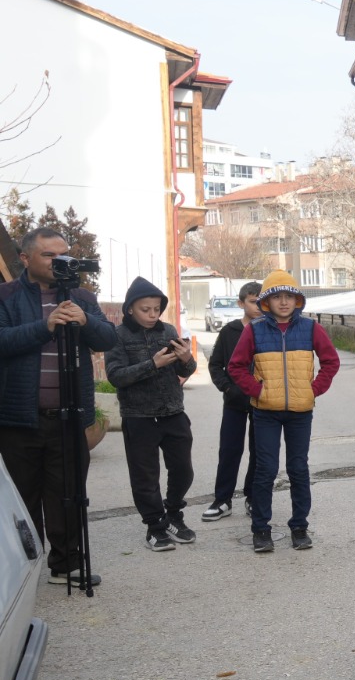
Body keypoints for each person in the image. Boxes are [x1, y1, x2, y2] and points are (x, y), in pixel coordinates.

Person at [0, 227, 118, 586]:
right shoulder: (5, 295)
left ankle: (66, 565)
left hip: (67, 416)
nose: (59, 261)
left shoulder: (82, 295)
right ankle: (26, 569)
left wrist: (86, 321)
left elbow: (108, 339)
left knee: (69, 494)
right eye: (49, 255)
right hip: (19, 418)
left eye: (63, 254)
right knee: (24, 499)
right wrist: (45, 325)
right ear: (25, 258)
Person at [227, 270, 340, 554]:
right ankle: (261, 529)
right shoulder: (254, 330)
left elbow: (331, 361)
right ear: (266, 301)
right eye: (277, 297)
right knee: (265, 470)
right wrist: (257, 390)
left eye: (289, 296)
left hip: (301, 412)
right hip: (265, 412)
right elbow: (235, 367)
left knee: (298, 469)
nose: (284, 302)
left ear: (298, 300)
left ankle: (299, 526)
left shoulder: (311, 328)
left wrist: (313, 389)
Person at [105, 277, 198, 551]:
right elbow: (115, 376)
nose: (152, 314)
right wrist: (152, 364)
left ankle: (173, 514)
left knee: (183, 470)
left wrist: (186, 360)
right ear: (130, 308)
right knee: (145, 477)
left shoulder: (167, 329)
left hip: (173, 412)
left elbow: (185, 372)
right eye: (146, 309)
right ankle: (155, 527)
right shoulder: (118, 336)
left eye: (156, 308)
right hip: (139, 416)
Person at [202, 281, 262, 523]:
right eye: (252, 301)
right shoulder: (229, 332)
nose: (258, 306)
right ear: (241, 303)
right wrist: (227, 387)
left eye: (261, 301)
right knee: (229, 450)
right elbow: (215, 364)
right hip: (235, 401)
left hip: (263, 401)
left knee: (260, 451)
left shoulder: (270, 329)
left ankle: (253, 497)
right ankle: (222, 500)